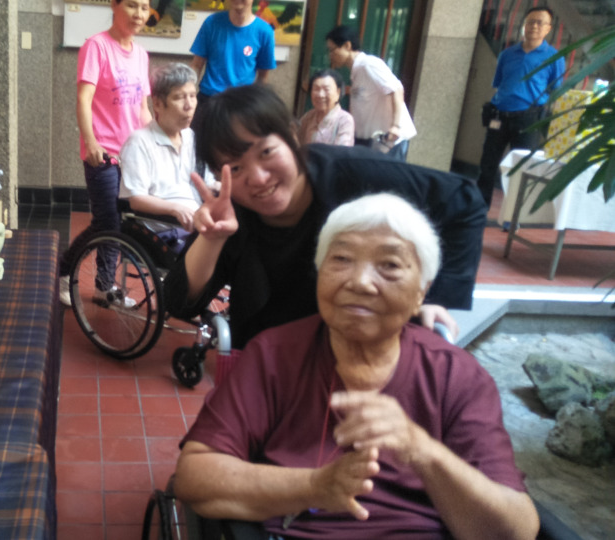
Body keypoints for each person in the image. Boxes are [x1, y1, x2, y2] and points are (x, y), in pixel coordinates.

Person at [174, 194, 539, 539]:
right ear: (320, 273)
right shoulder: (273, 356)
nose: (360, 282)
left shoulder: (458, 377)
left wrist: (422, 450)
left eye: (390, 265)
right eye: (342, 259)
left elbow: (517, 530)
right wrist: (314, 486)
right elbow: (195, 477)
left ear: (421, 292)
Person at [163, 84, 486, 350]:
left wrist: (436, 297)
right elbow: (179, 303)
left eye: (266, 152)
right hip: (272, 367)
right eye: (235, 168)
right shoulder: (232, 212)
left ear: (292, 136)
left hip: (361, 353)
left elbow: (463, 200)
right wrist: (213, 238)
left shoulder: (355, 174)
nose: (258, 178)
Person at [59, 0, 153, 307]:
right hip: (103, 153)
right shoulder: (97, 47)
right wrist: (90, 142)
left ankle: (103, 286)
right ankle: (65, 270)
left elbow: (143, 109)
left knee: (117, 224)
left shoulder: (141, 55)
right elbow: (83, 100)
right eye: (132, 6)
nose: (139, 14)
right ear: (114, 5)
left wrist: (157, 143)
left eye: (145, 7)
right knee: (107, 221)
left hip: (133, 155)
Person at [119, 62, 217, 251]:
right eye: (179, 97)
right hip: (163, 230)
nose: (189, 105)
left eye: (192, 96)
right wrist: (175, 209)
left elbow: (206, 183)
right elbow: (136, 199)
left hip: (197, 225)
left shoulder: (190, 137)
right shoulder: (139, 142)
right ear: (157, 104)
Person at [477, 6, 565, 208]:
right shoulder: (507, 54)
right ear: (524, 25)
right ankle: (479, 208)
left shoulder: (554, 58)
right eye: (530, 21)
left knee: (522, 168)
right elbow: (499, 84)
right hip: (499, 116)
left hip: (529, 119)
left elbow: (556, 90)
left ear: (548, 28)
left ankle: (513, 214)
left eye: (540, 23)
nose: (534, 26)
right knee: (487, 164)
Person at [326, 25, 416, 161]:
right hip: (370, 143)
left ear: (347, 46)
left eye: (332, 50)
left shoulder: (369, 64)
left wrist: (395, 127)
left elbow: (396, 89)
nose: (330, 55)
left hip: (388, 142)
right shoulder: (356, 71)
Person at [190, 0, 276, 106]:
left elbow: (262, 77)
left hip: (242, 102)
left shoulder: (265, 31)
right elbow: (196, 66)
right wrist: (189, 94)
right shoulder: (211, 22)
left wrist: (257, 105)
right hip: (209, 99)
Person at [297, 69, 354, 146]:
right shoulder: (308, 117)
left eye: (326, 89)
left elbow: (342, 151)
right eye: (316, 89)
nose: (320, 95)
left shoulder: (344, 120)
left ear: (338, 93)